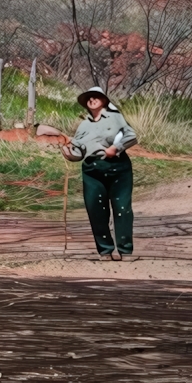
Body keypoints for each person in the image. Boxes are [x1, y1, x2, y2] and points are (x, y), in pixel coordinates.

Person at [61, 87, 139, 261]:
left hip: (118, 167)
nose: (92, 100)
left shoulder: (116, 117)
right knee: (95, 209)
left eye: (96, 97)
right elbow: (79, 153)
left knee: (122, 208)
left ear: (104, 100)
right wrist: (68, 153)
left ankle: (125, 250)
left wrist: (115, 148)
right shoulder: (83, 125)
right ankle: (105, 250)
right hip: (91, 169)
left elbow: (131, 136)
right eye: (89, 98)